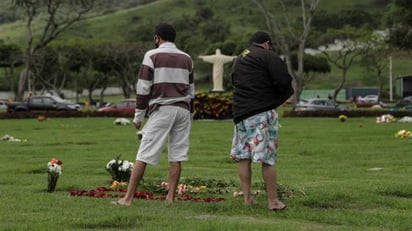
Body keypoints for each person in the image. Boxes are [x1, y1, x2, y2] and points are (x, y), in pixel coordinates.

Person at [115, 23, 195, 206]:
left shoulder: (152, 55)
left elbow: (143, 87)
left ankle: (127, 199)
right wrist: (190, 115)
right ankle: (170, 198)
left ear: (157, 38)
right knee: (176, 155)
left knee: (143, 154)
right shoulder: (187, 58)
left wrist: (138, 117)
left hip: (163, 109)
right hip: (183, 110)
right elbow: (191, 90)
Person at [230, 31, 293, 211]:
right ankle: (273, 201)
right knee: (267, 159)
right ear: (266, 43)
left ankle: (247, 198)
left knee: (244, 157)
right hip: (261, 113)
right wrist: (277, 99)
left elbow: (234, 81)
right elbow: (283, 80)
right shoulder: (267, 56)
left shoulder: (239, 58)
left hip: (240, 114)